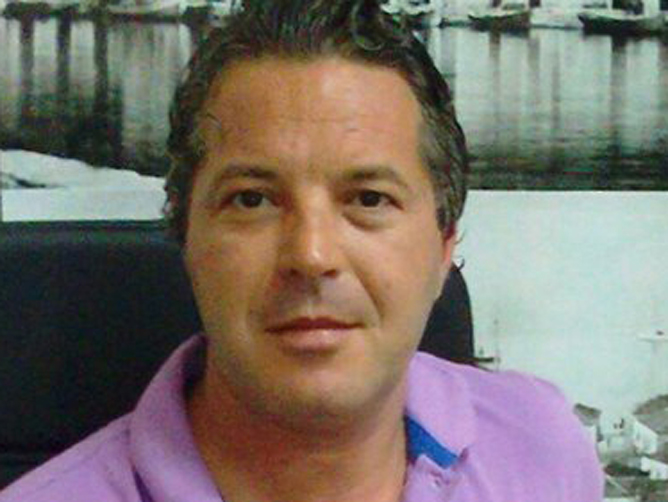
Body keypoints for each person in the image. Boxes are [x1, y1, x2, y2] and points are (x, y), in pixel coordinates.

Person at [0, 1, 604, 501]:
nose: (312, 256)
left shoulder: (541, 447)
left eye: (368, 199)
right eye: (252, 200)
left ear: (445, 246)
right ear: (186, 239)